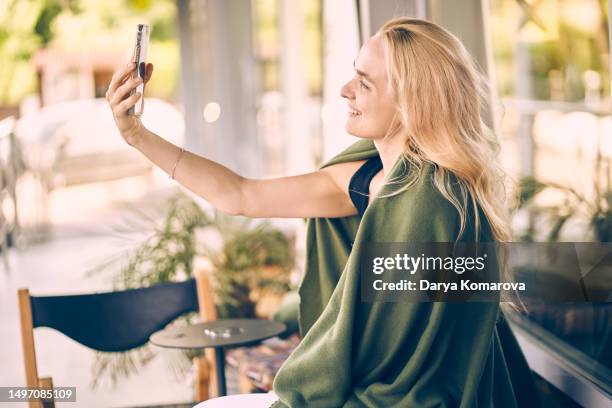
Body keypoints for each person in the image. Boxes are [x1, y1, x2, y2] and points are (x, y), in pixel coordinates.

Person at [107, 17, 537, 408]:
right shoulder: (371, 174)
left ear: (412, 102)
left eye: (365, 83)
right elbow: (241, 195)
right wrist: (137, 135)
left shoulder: (430, 202)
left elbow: (401, 362)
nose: (345, 89)